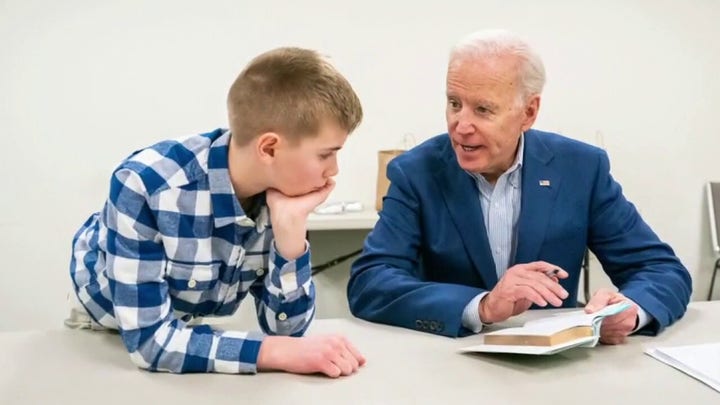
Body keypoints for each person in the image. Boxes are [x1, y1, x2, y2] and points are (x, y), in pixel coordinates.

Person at [347, 29, 691, 344]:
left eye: (482, 109)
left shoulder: (581, 168)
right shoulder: (416, 173)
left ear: (528, 112)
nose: (460, 125)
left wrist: (630, 310)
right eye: (454, 103)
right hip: (447, 360)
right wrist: (481, 306)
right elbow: (371, 282)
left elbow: (660, 269)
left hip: (554, 366)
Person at [67, 47, 366, 376]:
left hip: (181, 327)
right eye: (326, 154)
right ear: (269, 148)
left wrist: (290, 233)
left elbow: (288, 335)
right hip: (106, 330)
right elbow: (151, 342)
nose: (334, 170)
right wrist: (272, 351)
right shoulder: (147, 185)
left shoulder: (281, 197)